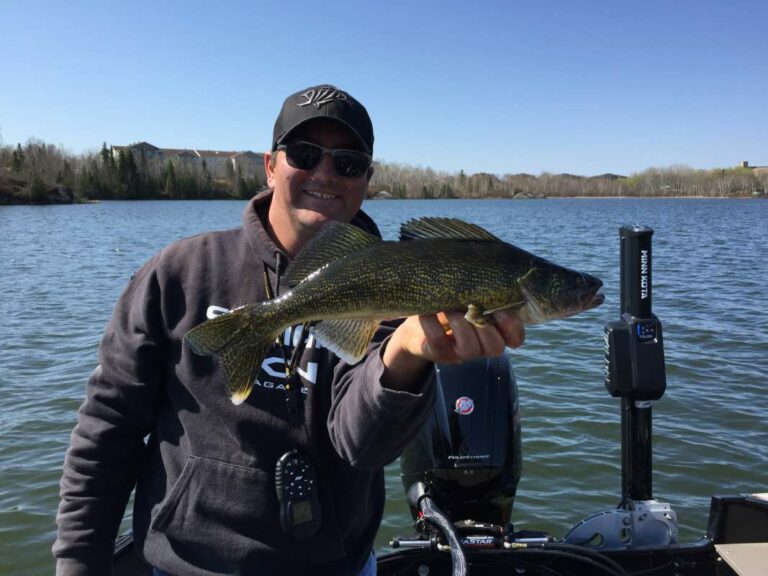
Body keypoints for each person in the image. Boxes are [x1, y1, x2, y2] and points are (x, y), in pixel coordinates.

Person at [53, 84, 525, 576]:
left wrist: (407, 352)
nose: (325, 173)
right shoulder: (178, 273)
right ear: (270, 165)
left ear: (366, 178)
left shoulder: (397, 290)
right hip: (187, 564)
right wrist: (77, 564)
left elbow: (360, 444)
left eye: (347, 163)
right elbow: (107, 430)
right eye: (305, 154)